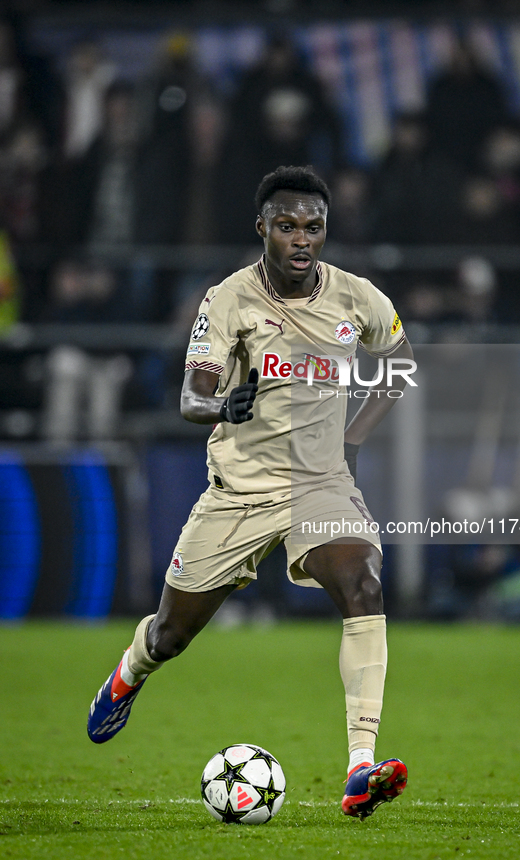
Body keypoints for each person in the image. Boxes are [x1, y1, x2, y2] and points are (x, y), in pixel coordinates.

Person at [87, 165, 412, 820]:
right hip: (238, 489)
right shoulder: (228, 299)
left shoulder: (358, 298)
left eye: (312, 227)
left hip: (320, 484)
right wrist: (221, 408)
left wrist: (349, 442)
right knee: (173, 635)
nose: (301, 239)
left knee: (363, 584)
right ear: (261, 227)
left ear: (325, 230)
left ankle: (358, 767)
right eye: (287, 226)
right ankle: (130, 670)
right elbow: (189, 396)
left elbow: (400, 364)